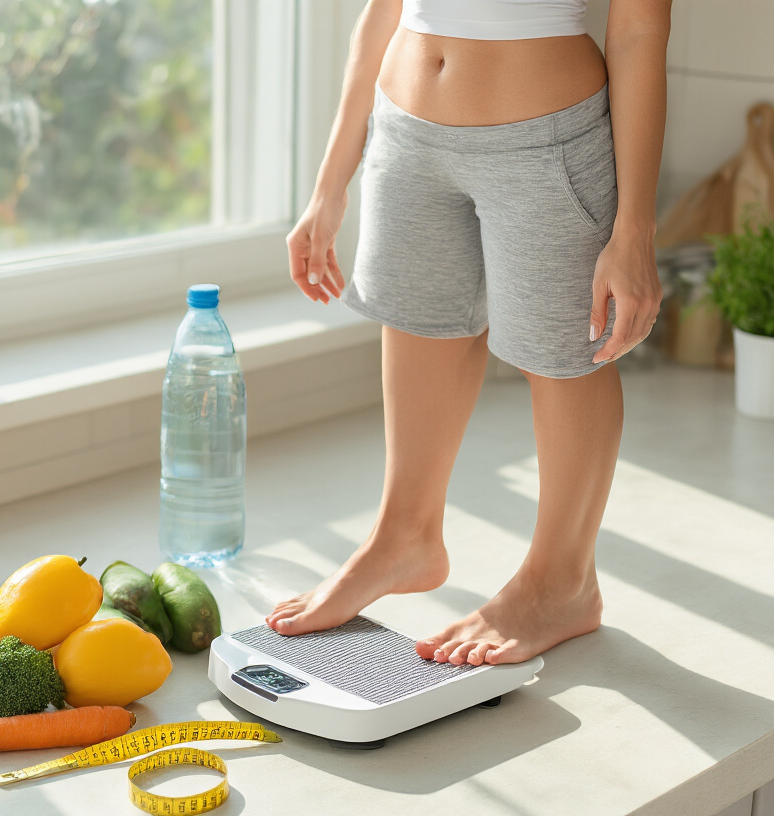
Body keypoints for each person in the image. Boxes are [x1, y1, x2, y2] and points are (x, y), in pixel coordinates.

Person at [268, 0, 668, 667]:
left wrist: (635, 229)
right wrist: (330, 183)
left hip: (546, 140)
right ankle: (404, 538)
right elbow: (383, 9)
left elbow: (638, 29)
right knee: (419, 321)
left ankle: (562, 581)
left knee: (568, 351)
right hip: (405, 129)